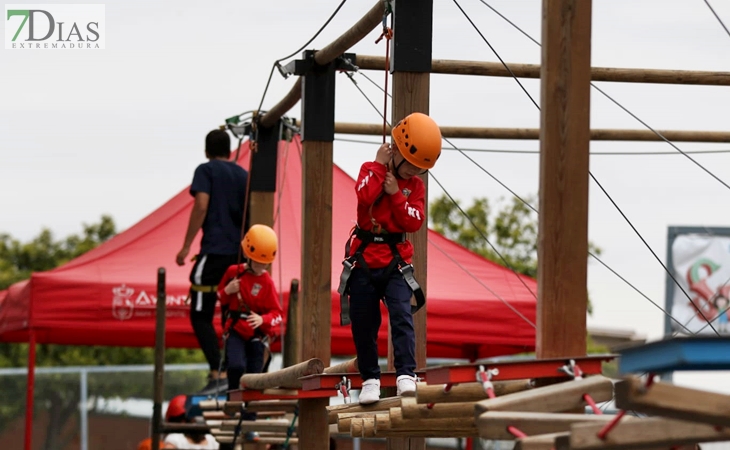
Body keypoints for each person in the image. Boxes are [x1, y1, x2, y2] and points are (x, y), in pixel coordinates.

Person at [338, 112, 442, 404]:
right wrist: (378, 164)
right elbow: (364, 197)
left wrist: (397, 193)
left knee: (401, 315)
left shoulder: (415, 188)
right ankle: (370, 378)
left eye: (421, 169)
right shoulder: (371, 170)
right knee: (363, 321)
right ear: (395, 151)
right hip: (364, 260)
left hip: (395, 262)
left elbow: (414, 221)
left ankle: (405, 374)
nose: (414, 172)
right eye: (411, 165)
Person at [176, 129, 250, 395]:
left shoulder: (206, 171)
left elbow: (202, 205)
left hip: (215, 250)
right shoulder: (243, 175)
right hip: (240, 256)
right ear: (229, 151)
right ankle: (234, 370)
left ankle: (217, 370)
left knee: (199, 314)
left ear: (207, 151)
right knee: (232, 314)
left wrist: (186, 246)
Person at [218, 224, 284, 394]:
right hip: (236, 329)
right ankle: (232, 397)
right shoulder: (234, 272)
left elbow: (278, 314)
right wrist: (227, 291)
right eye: (257, 261)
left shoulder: (267, 282)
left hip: (256, 333)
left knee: (255, 373)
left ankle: (250, 411)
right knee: (236, 365)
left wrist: (263, 319)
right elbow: (220, 300)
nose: (260, 266)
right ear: (248, 255)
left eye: (265, 263)